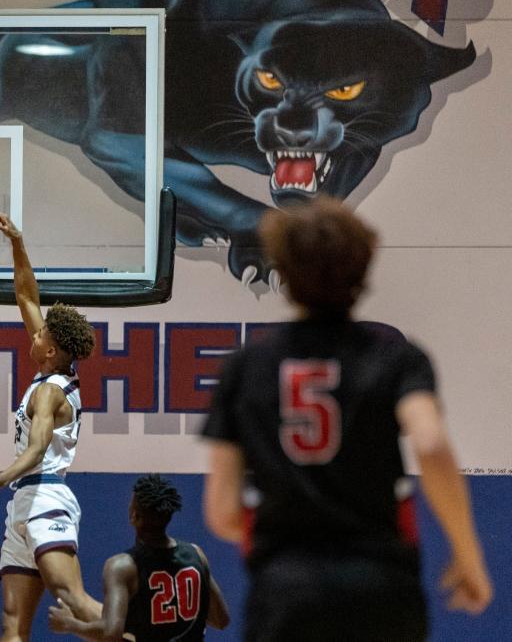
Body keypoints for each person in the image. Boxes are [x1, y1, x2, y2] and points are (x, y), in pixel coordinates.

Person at [202, 198, 493, 642]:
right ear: (363, 268)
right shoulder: (396, 357)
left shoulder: (246, 368)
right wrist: (467, 555)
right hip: (380, 586)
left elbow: (222, 513)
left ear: (284, 269)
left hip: (286, 590)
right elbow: (431, 445)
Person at [0, 214, 101, 642]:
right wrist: (17, 243)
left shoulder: (49, 393)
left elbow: (36, 449)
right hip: (23, 504)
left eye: (41, 330)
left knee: (76, 604)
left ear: (49, 348)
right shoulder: (52, 365)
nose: (34, 328)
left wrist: (1, 477)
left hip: (44, 493)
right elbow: (27, 295)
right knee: (12, 623)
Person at [48, 474, 230, 641]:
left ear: (134, 516)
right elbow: (221, 620)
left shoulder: (122, 566)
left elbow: (110, 633)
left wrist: (70, 624)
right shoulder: (196, 554)